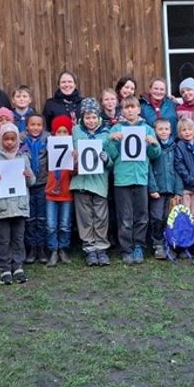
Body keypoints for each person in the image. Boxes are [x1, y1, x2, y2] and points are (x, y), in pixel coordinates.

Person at [105, 96, 161, 264]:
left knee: (142, 215)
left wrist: (153, 144)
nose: (130, 110)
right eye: (126, 108)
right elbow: (110, 156)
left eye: (133, 107)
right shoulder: (116, 128)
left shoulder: (147, 129)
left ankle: (139, 246)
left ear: (139, 109)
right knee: (124, 216)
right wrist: (111, 142)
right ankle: (127, 248)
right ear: (122, 110)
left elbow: (155, 155)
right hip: (122, 179)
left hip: (141, 178)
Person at [0, 122, 35, 285]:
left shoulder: (23, 157)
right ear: (1, 140)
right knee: (3, 240)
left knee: (18, 239)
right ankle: (5, 268)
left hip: (19, 207)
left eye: (13, 139)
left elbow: (32, 181)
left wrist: (28, 176)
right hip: (1, 207)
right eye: (6, 139)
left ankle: (18, 266)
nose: (10, 143)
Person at [71, 98, 113, 266]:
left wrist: (106, 158)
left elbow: (111, 160)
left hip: (99, 182)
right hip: (81, 182)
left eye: (94, 117)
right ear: (82, 118)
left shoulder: (106, 134)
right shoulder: (76, 131)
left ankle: (101, 247)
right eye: (87, 117)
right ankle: (89, 248)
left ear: (99, 118)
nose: (91, 121)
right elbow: (71, 152)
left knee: (101, 216)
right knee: (85, 217)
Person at [147, 118, 182, 260]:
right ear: (155, 131)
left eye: (166, 129)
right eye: (160, 129)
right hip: (158, 190)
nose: (163, 132)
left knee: (169, 218)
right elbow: (148, 168)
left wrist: (178, 190)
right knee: (156, 217)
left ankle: (169, 243)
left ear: (170, 130)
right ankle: (157, 244)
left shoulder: (175, 147)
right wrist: (153, 188)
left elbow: (178, 169)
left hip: (171, 189)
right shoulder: (152, 147)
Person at [45, 116, 75, 266]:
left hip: (66, 194)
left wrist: (75, 160)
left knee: (65, 224)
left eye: (65, 132)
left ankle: (63, 248)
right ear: (54, 134)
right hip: (51, 193)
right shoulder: (49, 150)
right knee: (51, 224)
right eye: (59, 132)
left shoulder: (70, 151)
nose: (62, 135)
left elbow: (75, 173)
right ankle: (53, 250)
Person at [20, 113, 49, 265]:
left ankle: (42, 248)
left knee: (42, 217)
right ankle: (31, 248)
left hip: (43, 183)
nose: (36, 128)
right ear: (27, 126)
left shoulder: (48, 139)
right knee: (29, 218)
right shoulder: (21, 139)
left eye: (39, 125)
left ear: (43, 126)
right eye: (33, 125)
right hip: (27, 185)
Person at [174, 118, 194, 225]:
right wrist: (189, 179)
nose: (187, 132)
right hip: (187, 186)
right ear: (180, 132)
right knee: (186, 213)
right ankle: (186, 238)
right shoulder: (180, 146)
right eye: (184, 130)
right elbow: (179, 165)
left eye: (189, 129)